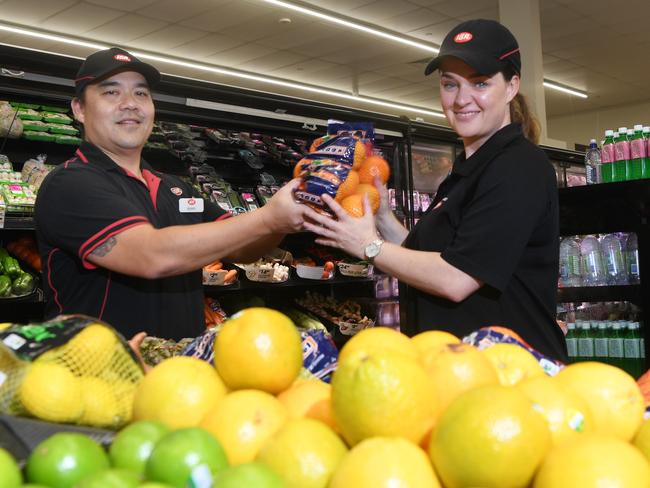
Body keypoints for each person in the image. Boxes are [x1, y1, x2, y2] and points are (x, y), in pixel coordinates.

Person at [305, 19, 567, 361]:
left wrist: (367, 245)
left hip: (510, 378)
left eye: (481, 83)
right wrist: (382, 216)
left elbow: (457, 278)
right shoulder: (467, 170)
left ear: (512, 86)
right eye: (450, 85)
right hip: (457, 373)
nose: (462, 100)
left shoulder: (518, 167)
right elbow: (428, 259)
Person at [35, 47, 317, 341]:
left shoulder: (174, 187)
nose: (130, 104)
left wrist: (287, 215)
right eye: (111, 93)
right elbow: (151, 255)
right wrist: (269, 217)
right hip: (101, 375)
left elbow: (244, 249)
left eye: (141, 94)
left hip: (181, 374)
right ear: (79, 109)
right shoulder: (69, 184)